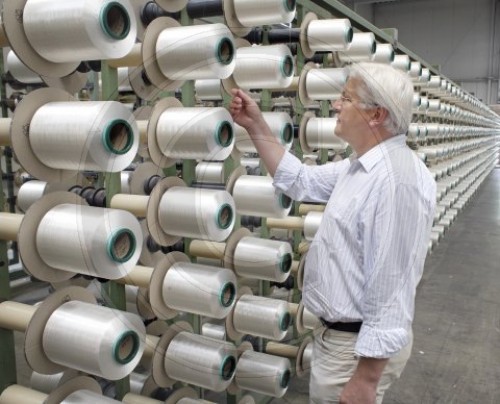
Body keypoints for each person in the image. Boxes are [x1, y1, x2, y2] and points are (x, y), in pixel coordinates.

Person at [229, 62, 436, 404]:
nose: (336, 106)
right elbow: (300, 180)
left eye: (346, 99)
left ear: (376, 115)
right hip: (338, 343)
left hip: (354, 353)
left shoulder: (397, 183)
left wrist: (366, 379)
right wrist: (255, 125)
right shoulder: (361, 166)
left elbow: (391, 289)